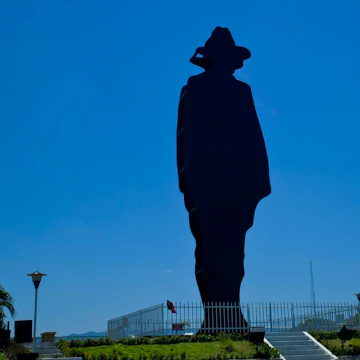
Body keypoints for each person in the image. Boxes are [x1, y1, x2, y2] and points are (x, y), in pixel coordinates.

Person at [176, 27, 271, 334]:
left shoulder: (241, 92)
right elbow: (184, 140)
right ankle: (215, 317)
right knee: (208, 250)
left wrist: (257, 186)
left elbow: (255, 138)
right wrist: (189, 184)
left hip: (237, 190)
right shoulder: (194, 88)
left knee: (234, 253)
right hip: (205, 188)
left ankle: (232, 313)